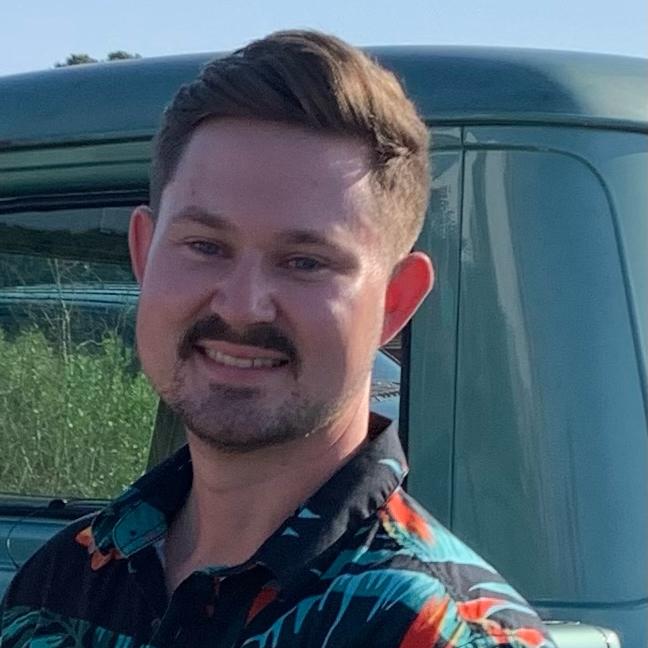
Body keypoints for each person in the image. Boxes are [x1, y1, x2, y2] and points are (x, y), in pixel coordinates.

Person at [0, 30, 556, 648]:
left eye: (305, 262)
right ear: (144, 254)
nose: (242, 306)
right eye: (205, 246)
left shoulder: (439, 631)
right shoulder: (60, 585)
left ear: (395, 302)